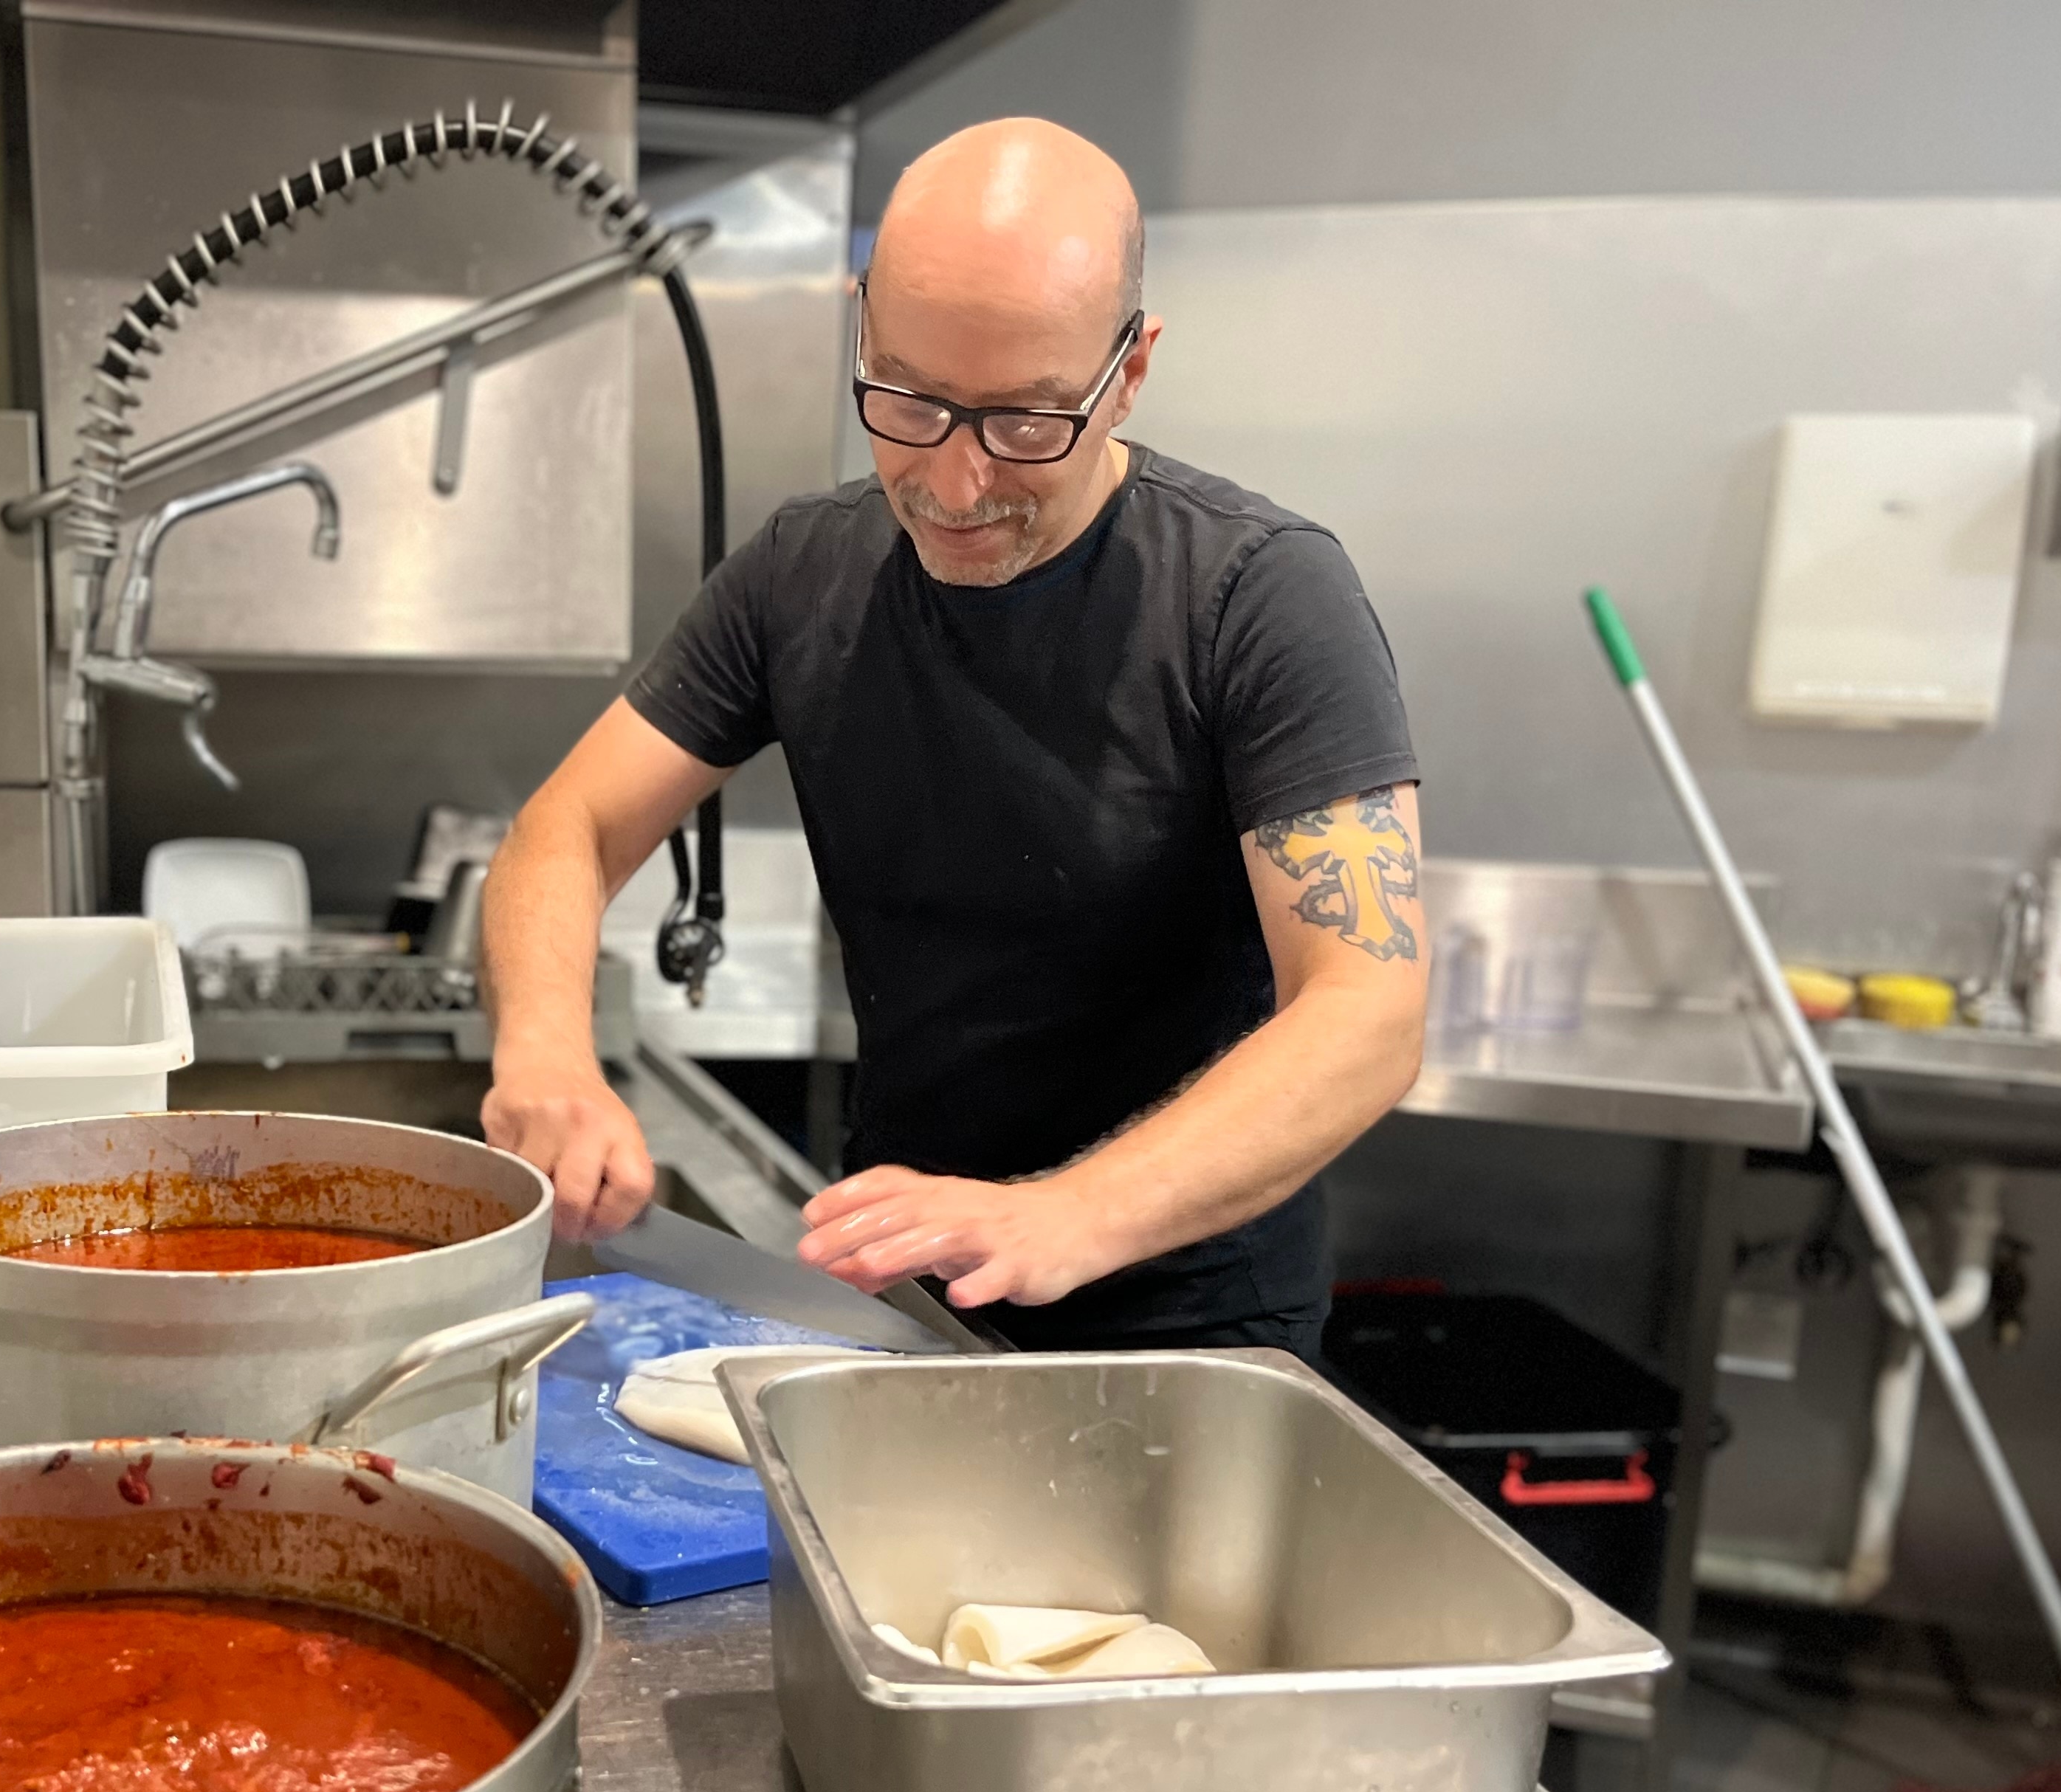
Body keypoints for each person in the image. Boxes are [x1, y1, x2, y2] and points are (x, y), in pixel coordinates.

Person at [480, 117, 1425, 1359]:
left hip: (1189, 1319)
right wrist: (547, 1047)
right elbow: (571, 826)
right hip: (903, 1285)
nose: (957, 483)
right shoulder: (800, 572)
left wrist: (1070, 1214)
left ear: (1128, 371)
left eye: (1028, 424)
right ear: (865, 327)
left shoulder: (1256, 595)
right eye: (908, 402)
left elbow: (1367, 1010)